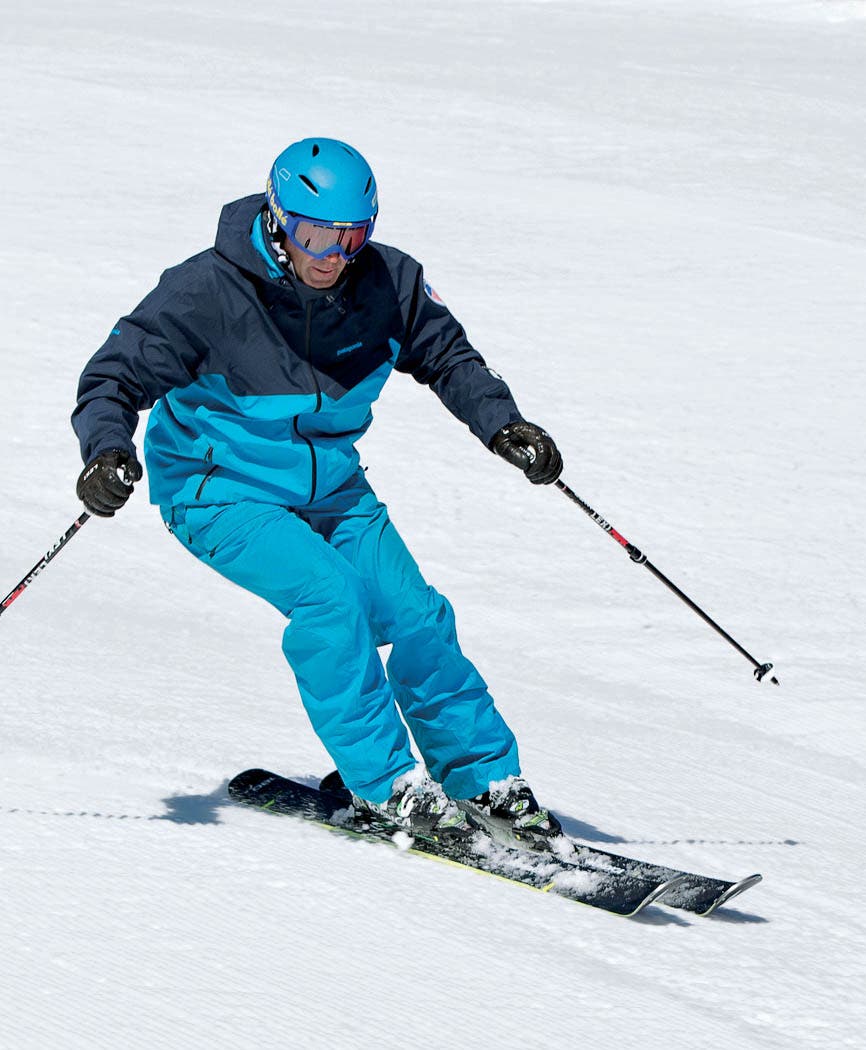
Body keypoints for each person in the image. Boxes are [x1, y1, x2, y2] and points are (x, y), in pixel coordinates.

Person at [71, 138, 564, 850]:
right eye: (314, 234)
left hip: (329, 486)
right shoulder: (206, 291)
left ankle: (482, 778)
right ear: (278, 219)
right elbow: (113, 376)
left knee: (418, 614)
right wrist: (107, 449)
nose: (333, 255)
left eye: (351, 236)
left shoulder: (387, 285)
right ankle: (386, 785)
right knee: (331, 598)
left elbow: (448, 357)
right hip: (217, 488)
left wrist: (504, 424)